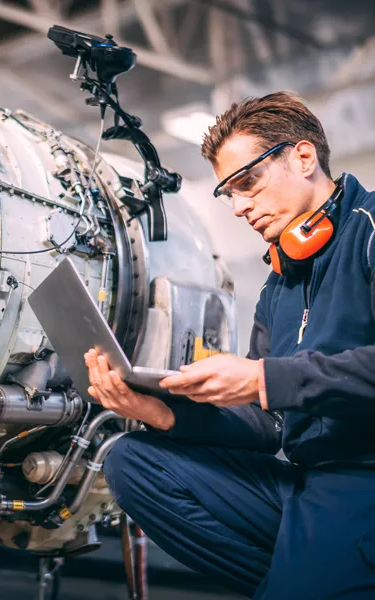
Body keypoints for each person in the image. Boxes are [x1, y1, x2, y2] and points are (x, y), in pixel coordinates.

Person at [84, 91, 375, 599]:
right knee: (132, 462)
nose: (239, 207)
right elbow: (267, 426)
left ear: (303, 158)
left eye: (248, 183)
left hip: (364, 478)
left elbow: (271, 385)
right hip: (307, 482)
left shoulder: (370, 233)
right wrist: (156, 411)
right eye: (229, 193)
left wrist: (262, 378)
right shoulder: (279, 285)